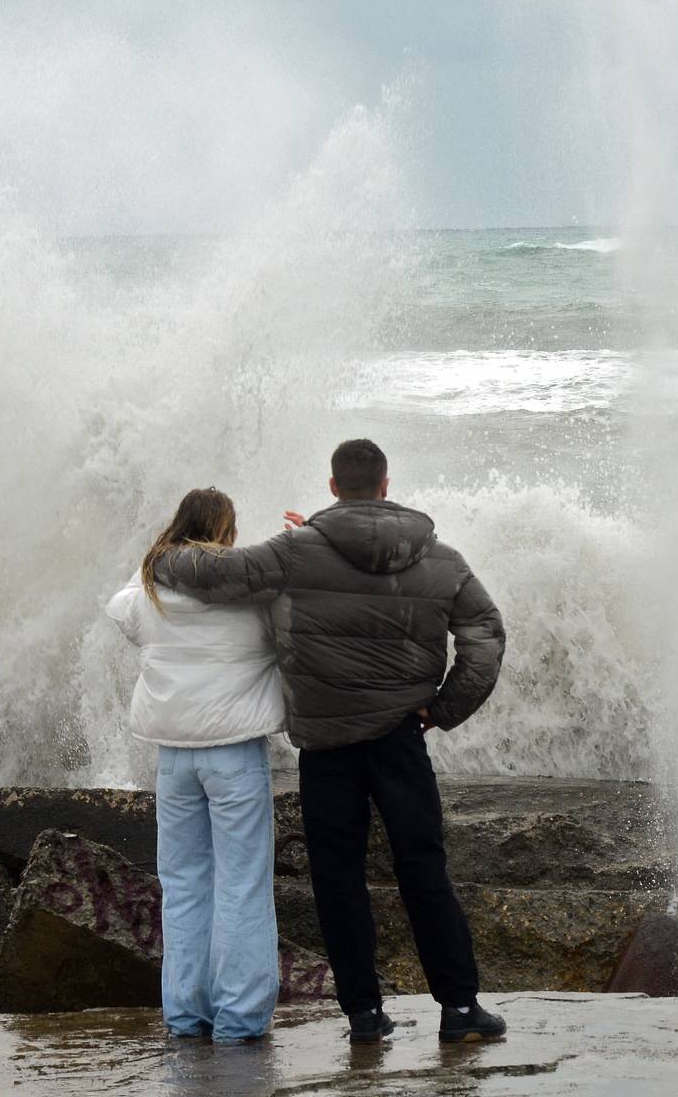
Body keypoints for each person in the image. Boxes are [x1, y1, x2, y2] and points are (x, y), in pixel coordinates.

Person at [152, 439, 507, 1044]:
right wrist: (443, 709)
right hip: (401, 739)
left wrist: (159, 556)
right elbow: (486, 636)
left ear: (334, 486)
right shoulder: (443, 559)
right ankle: (459, 1010)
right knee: (423, 870)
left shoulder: (296, 553)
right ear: (386, 485)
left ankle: (363, 1016)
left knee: (337, 878)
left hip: (326, 749)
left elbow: (213, 574)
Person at [105, 487, 285, 1042]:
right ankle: (239, 1019)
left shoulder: (151, 589)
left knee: (182, 884)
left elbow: (119, 606)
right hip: (233, 753)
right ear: (228, 536)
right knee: (242, 884)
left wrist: (153, 562)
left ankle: (185, 1014)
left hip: (175, 759)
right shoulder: (250, 595)